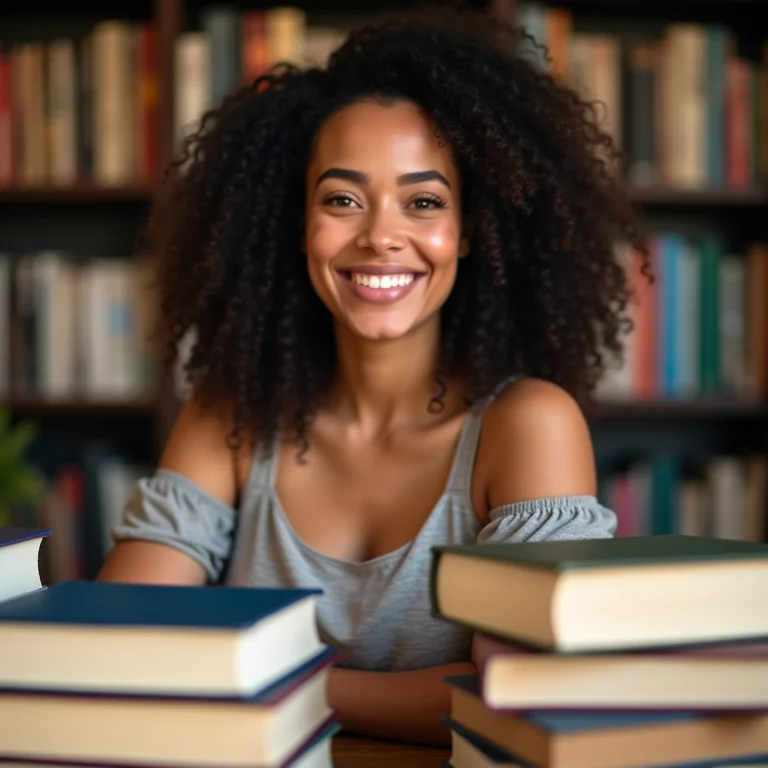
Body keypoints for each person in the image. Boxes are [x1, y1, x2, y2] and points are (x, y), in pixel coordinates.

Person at [97, 4, 646, 747]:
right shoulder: (233, 414)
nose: (382, 236)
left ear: (472, 232)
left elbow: (523, 690)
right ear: (297, 225)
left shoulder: (526, 427)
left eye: (424, 201)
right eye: (342, 199)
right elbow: (117, 639)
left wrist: (265, 678)